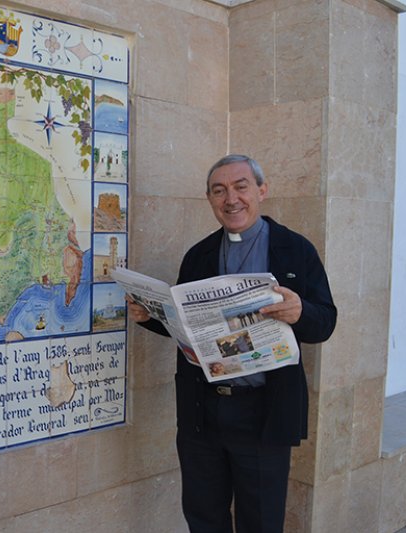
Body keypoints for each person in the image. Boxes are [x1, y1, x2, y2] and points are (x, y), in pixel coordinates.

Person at [127, 154, 337, 533]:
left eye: (241, 187)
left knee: (260, 521)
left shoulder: (296, 250)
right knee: (204, 518)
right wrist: (152, 317)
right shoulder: (199, 255)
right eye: (219, 190)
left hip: (263, 413)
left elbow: (325, 322)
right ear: (209, 199)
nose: (231, 199)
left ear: (262, 190)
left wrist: (300, 311)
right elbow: (191, 329)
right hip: (202, 413)